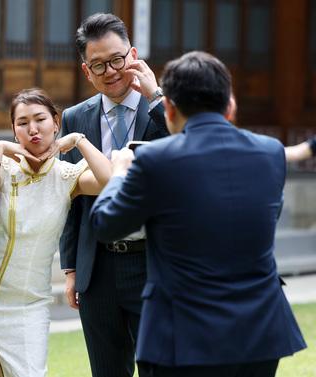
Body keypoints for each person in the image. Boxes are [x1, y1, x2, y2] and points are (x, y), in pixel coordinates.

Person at [90, 51, 307, 377]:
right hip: (258, 331)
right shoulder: (270, 153)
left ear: (170, 108)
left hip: (182, 334)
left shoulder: (155, 161)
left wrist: (119, 171)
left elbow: (105, 224)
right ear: (230, 106)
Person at [0, 88, 112, 377]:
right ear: (15, 129)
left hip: (30, 304)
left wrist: (79, 139)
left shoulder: (67, 175)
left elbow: (109, 180)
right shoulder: (1, 165)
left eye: (40, 119)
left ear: (56, 122)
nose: (33, 129)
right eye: (23, 122)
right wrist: (0, 149)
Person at [59, 13, 169, 377]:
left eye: (118, 59)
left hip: (153, 264)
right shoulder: (75, 118)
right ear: (86, 71)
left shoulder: (164, 110)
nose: (111, 71)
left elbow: (188, 153)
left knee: (162, 367)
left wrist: (156, 95)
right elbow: (69, 193)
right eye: (98, 65)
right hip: (99, 267)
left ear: (134, 55)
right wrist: (71, 267)